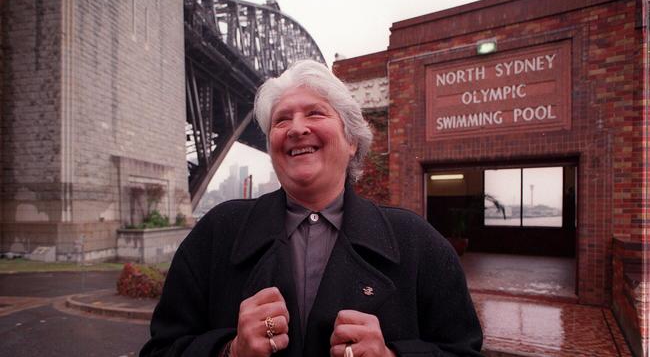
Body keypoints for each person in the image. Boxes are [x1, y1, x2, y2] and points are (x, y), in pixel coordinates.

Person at [140, 60, 483, 357]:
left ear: (352, 141)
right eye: (281, 120)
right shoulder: (217, 233)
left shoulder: (417, 242)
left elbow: (463, 349)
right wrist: (228, 351)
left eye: (315, 113)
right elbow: (159, 349)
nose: (297, 128)